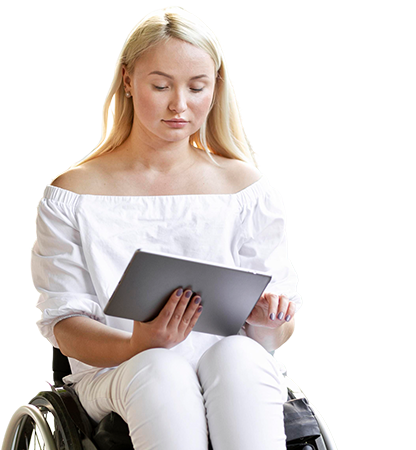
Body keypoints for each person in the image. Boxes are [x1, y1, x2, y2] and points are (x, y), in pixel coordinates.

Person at [31, 7, 302, 450]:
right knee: (161, 367)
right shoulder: (75, 193)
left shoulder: (246, 189)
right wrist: (138, 343)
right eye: (161, 86)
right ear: (127, 81)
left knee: (239, 354)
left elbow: (275, 335)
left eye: (198, 87)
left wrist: (267, 321)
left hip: (231, 364)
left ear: (216, 87)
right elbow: (64, 323)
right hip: (118, 368)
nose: (180, 105)